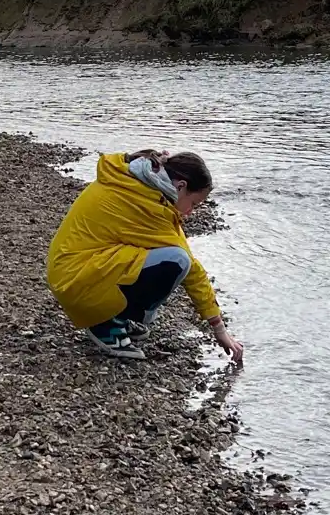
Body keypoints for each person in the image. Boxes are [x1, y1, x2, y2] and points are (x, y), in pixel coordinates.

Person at [47, 149, 244, 365]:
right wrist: (219, 328)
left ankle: (115, 316)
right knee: (176, 261)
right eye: (194, 204)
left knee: (170, 257)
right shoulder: (147, 205)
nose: (190, 213)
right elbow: (192, 269)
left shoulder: (136, 181)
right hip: (75, 280)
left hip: (69, 268)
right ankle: (104, 325)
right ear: (180, 186)